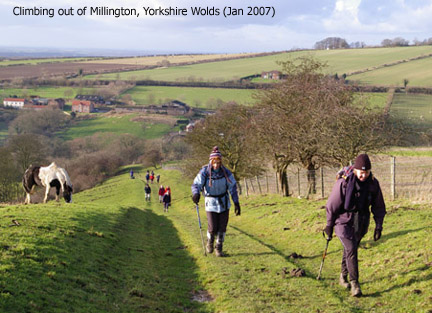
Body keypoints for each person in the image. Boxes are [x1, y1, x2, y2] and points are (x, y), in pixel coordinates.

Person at [324, 153, 386, 297]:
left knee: (349, 250)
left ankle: (342, 276)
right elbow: (332, 205)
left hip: (361, 221)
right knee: (351, 248)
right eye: (360, 172)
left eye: (366, 172)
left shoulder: (373, 184)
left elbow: (379, 206)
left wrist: (378, 226)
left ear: (369, 171)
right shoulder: (344, 183)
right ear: (355, 170)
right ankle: (355, 284)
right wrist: (329, 225)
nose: (363, 175)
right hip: (343, 221)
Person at [191, 146, 241, 257]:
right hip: (211, 203)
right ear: (211, 161)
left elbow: (232, 187)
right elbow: (196, 184)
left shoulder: (226, 173)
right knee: (213, 227)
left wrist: (236, 202)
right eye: (214, 162)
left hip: (224, 202)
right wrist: (196, 194)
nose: (216, 165)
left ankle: (219, 248)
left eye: (218, 162)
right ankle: (210, 242)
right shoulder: (205, 172)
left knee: (222, 227)